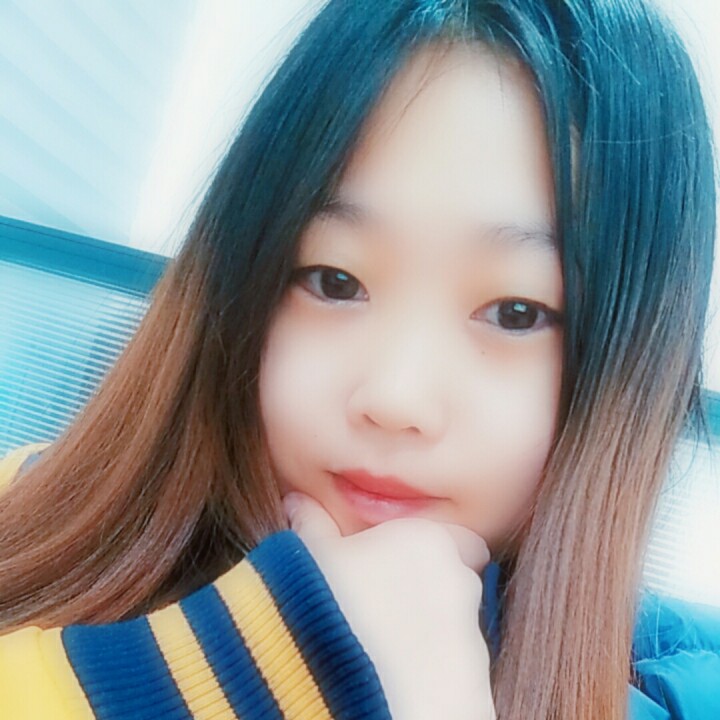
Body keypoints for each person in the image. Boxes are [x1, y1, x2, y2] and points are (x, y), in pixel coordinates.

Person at [1, 0, 719, 718]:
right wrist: (279, 655)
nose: (394, 397)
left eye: (516, 313)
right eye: (334, 281)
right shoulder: (25, 505)